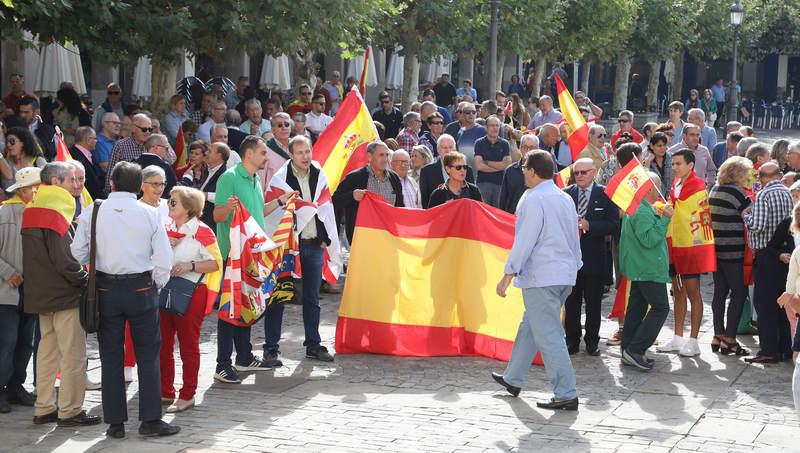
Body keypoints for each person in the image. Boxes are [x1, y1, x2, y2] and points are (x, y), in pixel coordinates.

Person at [71, 161, 178, 438]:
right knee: (148, 355)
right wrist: (155, 284)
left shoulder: (94, 210)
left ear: (113, 184)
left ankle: (115, 423)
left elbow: (77, 254)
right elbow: (164, 258)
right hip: (141, 288)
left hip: (105, 289)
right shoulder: (149, 213)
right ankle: (150, 420)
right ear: (138, 186)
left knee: (110, 356)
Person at [492, 151, 581, 410]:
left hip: (543, 276)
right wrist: (575, 266)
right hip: (562, 274)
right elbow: (574, 238)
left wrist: (507, 274)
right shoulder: (564, 197)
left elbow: (525, 241)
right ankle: (513, 378)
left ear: (531, 170)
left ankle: (566, 392)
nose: (522, 172)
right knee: (531, 326)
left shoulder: (533, 199)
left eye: (523, 168)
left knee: (548, 334)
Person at [22, 162, 98, 427]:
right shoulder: (56, 212)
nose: (76, 185)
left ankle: (43, 407)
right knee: (73, 356)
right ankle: (70, 410)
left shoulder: (32, 207)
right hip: (65, 294)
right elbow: (65, 261)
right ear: (56, 182)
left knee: (47, 354)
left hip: (41, 294)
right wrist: (86, 281)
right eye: (71, 180)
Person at [263, 136, 340, 366]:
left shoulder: (319, 174)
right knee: (279, 297)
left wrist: (326, 238)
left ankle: (313, 345)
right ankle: (271, 349)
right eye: (300, 152)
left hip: (313, 245)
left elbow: (326, 206)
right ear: (291, 155)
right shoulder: (280, 180)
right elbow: (272, 215)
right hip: (287, 248)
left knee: (312, 298)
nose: (306, 156)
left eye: (308, 151)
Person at [212, 136, 280, 384]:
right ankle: (222, 364)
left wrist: (282, 202)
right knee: (229, 308)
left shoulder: (255, 179)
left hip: (252, 256)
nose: (267, 157)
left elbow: (257, 213)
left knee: (246, 305)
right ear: (249, 154)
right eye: (263, 152)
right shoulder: (229, 178)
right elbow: (218, 215)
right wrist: (229, 207)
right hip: (233, 255)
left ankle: (244, 355)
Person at [160, 186, 222, 413]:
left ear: (188, 208)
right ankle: (165, 390)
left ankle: (187, 394)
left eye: (173, 202)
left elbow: (216, 262)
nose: (169, 205)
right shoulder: (166, 227)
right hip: (165, 289)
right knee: (163, 342)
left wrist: (189, 266)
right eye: (169, 201)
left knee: (188, 344)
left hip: (191, 293)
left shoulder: (202, 231)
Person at [656, 149, 716, 357]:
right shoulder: (676, 184)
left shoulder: (698, 186)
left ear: (691, 165)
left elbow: (692, 215)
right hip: (675, 244)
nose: (674, 168)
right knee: (677, 291)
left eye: (678, 164)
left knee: (693, 293)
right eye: (672, 164)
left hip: (690, 246)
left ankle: (694, 339)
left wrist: (670, 209)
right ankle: (678, 336)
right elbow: (675, 208)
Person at [563, 158, 619, 356]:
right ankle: (572, 340)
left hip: (594, 257)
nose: (579, 176)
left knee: (594, 302)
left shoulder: (605, 194)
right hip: (570, 259)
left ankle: (592, 341)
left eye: (583, 172)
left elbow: (613, 224)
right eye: (576, 173)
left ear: (594, 172)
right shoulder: (566, 194)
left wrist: (590, 226)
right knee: (571, 302)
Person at [619, 172, 674, 370]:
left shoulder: (640, 208)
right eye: (658, 186)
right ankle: (636, 348)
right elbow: (649, 239)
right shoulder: (641, 211)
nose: (661, 190)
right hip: (648, 268)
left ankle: (628, 348)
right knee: (660, 308)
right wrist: (665, 219)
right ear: (649, 187)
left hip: (642, 267)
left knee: (637, 307)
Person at [743, 161, 794, 363]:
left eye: (760, 177)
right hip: (784, 253)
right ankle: (784, 349)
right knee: (782, 302)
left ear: (765, 177)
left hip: (766, 254)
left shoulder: (765, 194)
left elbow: (757, 226)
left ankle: (768, 350)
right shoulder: (788, 192)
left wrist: (745, 216)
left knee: (764, 304)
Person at [0, 167, 40, 413]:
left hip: (31, 290)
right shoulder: (4, 213)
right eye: (36, 188)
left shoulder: (38, 213)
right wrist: (8, 273)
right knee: (7, 342)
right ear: (25, 190)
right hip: (7, 291)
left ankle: (15, 385)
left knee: (26, 341)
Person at [709, 156, 753, 356]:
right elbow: (750, 216)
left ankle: (717, 334)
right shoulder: (737, 192)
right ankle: (730, 338)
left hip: (715, 250)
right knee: (739, 293)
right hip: (733, 250)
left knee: (719, 292)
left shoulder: (715, 190)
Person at [333, 141, 405, 244]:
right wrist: (352, 195)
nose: (385, 159)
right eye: (381, 155)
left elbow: (400, 207)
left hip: (389, 236)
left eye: (386, 155)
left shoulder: (394, 178)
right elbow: (335, 200)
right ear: (369, 157)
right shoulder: (355, 177)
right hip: (363, 238)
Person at [419, 134, 476, 209]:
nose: (448, 150)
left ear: (455, 149)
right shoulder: (426, 171)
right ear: (438, 150)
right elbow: (425, 200)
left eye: (451, 147)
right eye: (444, 147)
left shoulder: (467, 170)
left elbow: (473, 200)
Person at [104, 113, 153, 194]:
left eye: (150, 129)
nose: (147, 132)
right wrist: (109, 195)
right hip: (124, 194)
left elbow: (172, 159)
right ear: (133, 128)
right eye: (144, 129)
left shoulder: (152, 145)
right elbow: (111, 174)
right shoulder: (120, 146)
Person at [472, 115, 511, 207]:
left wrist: (487, 162)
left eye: (497, 125)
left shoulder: (505, 144)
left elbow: (507, 165)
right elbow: (479, 166)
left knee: (498, 212)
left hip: (500, 184)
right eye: (492, 125)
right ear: (486, 127)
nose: (495, 128)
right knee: (483, 211)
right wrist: (500, 166)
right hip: (483, 183)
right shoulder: (479, 143)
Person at [499, 135, 539, 214]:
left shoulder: (542, 171)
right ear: (520, 148)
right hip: (512, 218)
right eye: (525, 147)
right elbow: (503, 199)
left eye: (531, 148)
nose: (528, 150)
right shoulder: (510, 171)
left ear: (538, 149)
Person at [1, 127, 47, 191]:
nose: (8, 145)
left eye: (12, 141)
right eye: (7, 142)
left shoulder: (38, 161)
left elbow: (48, 182)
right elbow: (7, 188)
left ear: (23, 142)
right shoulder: (6, 164)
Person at [16, 97, 57, 162]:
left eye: (26, 112)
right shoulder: (15, 128)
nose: (22, 115)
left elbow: (54, 153)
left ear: (36, 111)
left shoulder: (48, 130)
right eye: (21, 112)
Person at [68, 126, 103, 200]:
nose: (97, 141)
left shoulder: (89, 155)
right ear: (88, 140)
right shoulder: (71, 155)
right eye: (95, 138)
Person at [644, 132, 673, 196]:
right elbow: (644, 180)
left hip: (673, 199)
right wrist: (648, 162)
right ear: (651, 146)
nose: (662, 148)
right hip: (656, 200)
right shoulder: (646, 161)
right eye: (659, 146)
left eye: (664, 145)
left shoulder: (673, 158)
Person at [94, 112, 120, 177]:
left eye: (119, 123)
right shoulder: (99, 142)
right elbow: (105, 167)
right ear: (104, 124)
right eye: (114, 123)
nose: (118, 125)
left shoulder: (115, 141)